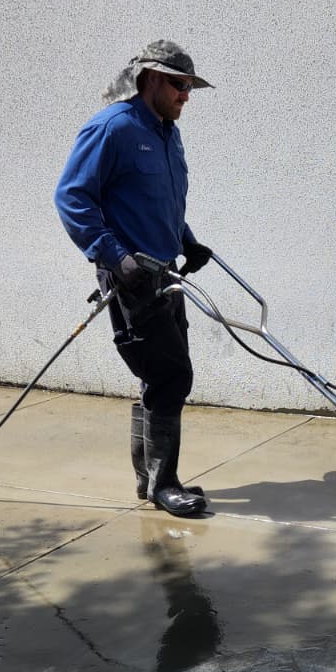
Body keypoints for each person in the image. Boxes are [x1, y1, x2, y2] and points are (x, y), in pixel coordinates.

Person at [54, 40, 216, 517]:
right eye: (179, 84)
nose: (187, 94)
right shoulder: (113, 128)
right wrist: (115, 258)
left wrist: (186, 239)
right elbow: (73, 198)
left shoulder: (167, 133)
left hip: (165, 272)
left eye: (191, 87)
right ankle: (165, 484)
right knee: (171, 375)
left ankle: (149, 481)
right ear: (150, 78)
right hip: (131, 278)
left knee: (159, 374)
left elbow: (158, 199)